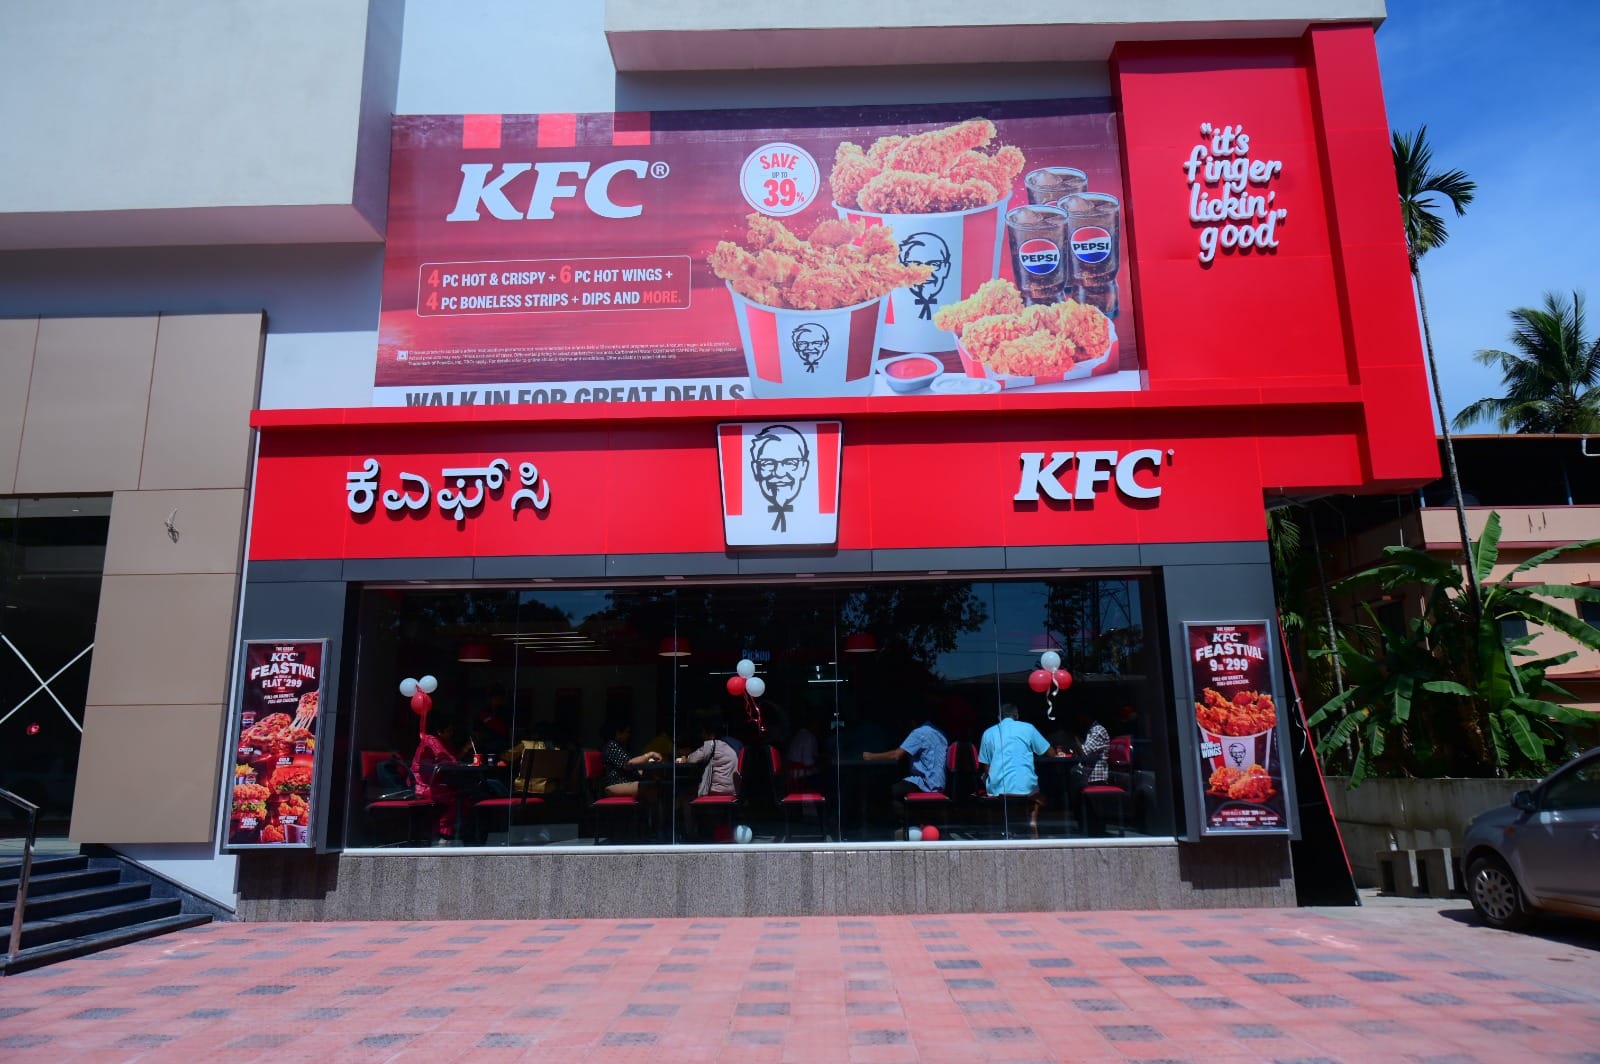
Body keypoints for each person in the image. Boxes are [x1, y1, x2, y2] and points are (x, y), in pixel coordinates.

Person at [978, 704, 1058, 837]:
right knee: (1037, 789)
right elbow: (1050, 753)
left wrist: (991, 778)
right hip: (1026, 787)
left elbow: (986, 765)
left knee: (987, 779)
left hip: (999, 789)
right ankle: (1032, 821)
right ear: (1017, 716)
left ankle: (1004, 823)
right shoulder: (1028, 728)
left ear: (999, 717)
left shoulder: (988, 733)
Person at [863, 715, 948, 817]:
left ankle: (905, 821)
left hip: (925, 783)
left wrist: (871, 756)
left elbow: (896, 755)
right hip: (939, 784)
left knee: (886, 792)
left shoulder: (918, 733)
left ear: (911, 722)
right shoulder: (939, 733)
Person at [411, 713, 463, 840]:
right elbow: (446, 759)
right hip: (423, 785)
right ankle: (441, 831)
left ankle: (445, 831)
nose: (451, 734)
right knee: (457, 797)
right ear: (440, 731)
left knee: (461, 794)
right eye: (449, 731)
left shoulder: (442, 741)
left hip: (433, 783)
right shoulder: (431, 740)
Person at [600, 716, 662, 798]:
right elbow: (628, 764)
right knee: (648, 786)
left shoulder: (620, 746)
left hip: (625, 781)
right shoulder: (611, 745)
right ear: (618, 733)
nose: (628, 735)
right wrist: (649, 755)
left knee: (655, 782)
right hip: (615, 783)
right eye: (627, 732)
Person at [677, 721, 739, 798]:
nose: (702, 736)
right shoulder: (731, 746)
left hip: (716, 790)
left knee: (685, 791)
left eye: (704, 733)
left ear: (712, 735)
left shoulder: (711, 745)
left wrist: (685, 756)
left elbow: (692, 759)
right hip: (733, 790)